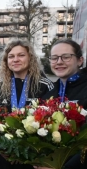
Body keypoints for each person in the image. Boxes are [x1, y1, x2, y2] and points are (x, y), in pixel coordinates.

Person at [0, 39, 54, 169]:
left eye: (21, 55)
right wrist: (1, 148)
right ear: (6, 61)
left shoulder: (45, 86)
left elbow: (52, 124)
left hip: (35, 159)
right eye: (11, 56)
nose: (15, 59)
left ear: (30, 58)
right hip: (6, 157)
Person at [40, 38, 87, 169]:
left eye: (66, 57)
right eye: (54, 58)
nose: (59, 62)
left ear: (80, 60)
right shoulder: (49, 93)